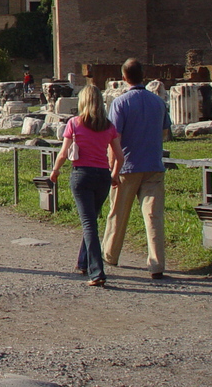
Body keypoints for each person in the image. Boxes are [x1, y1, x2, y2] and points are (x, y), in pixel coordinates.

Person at [103, 58, 172, 278]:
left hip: (127, 165)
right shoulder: (158, 102)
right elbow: (164, 132)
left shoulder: (120, 103)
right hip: (153, 164)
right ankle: (156, 263)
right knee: (153, 216)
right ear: (144, 75)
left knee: (118, 213)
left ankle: (110, 254)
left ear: (124, 78)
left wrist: (113, 169)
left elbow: (115, 140)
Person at [49, 85, 124, 286]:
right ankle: (83, 262)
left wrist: (55, 170)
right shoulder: (108, 126)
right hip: (102, 177)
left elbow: (64, 153)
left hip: (82, 174)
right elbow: (120, 156)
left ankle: (97, 272)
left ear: (82, 102)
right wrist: (114, 175)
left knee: (89, 224)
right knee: (90, 219)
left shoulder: (74, 123)